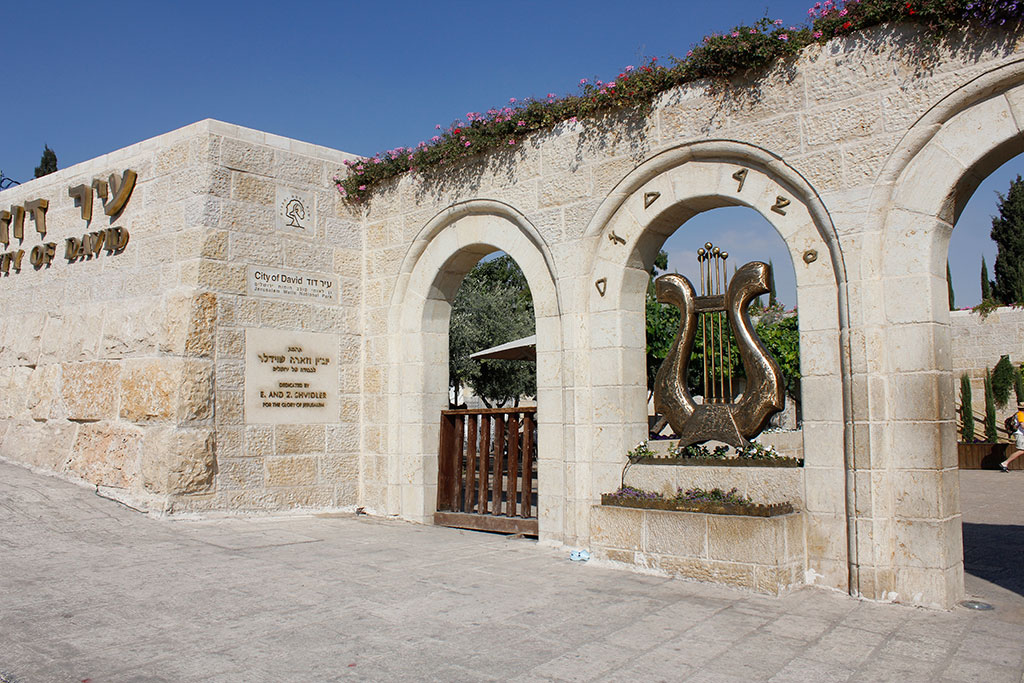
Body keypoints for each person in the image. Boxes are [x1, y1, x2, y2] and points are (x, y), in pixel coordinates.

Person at [1000, 403, 1024, 472]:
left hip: (1021, 434)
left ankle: (1005, 463)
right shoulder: (1021, 414)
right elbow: (1023, 425)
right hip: (1020, 434)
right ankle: (1005, 463)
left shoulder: (1020, 414)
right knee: (1022, 450)